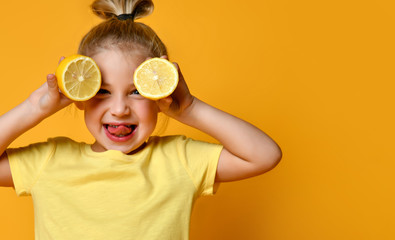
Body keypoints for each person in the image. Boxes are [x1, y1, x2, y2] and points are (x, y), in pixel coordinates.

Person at [0, 0, 282, 239]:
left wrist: (190, 108)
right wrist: (34, 109)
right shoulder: (49, 161)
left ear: (160, 92)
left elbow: (264, 155)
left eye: (136, 91)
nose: (120, 109)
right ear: (81, 96)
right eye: (102, 92)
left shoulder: (178, 160)